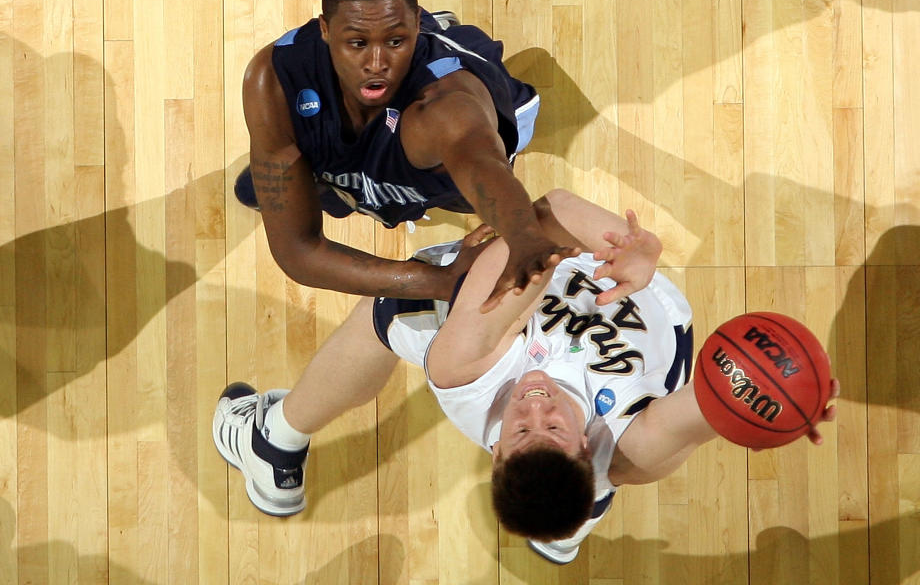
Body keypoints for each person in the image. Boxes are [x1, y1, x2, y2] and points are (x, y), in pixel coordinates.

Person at [213, 189, 839, 562]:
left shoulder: (468, 370)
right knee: (612, 476)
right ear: (583, 448)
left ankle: (273, 440)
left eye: (521, 430)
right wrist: (795, 403)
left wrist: (604, 242)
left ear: (496, 454)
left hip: (511, 325)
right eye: (555, 429)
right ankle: (565, 522)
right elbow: (726, 397)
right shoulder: (631, 447)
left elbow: (549, 217)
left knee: (398, 305)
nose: (536, 405)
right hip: (650, 316)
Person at [237, 0, 576, 308]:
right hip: (360, 158)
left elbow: (478, 162)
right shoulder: (274, 77)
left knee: (467, 192)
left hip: (465, 124)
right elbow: (298, 252)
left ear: (412, 24)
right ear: (324, 29)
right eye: (358, 43)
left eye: (395, 41)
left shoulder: (444, 105)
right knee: (267, 192)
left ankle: (445, 39)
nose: (377, 64)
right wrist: (438, 281)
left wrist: (524, 238)